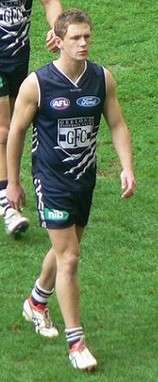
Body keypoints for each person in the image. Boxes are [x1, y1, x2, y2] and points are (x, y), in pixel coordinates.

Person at [6, 9, 136, 371]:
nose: (83, 43)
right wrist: (13, 183)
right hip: (50, 180)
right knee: (70, 258)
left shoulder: (101, 79)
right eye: (75, 38)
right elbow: (15, 132)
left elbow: (118, 123)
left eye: (87, 37)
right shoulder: (38, 84)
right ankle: (76, 342)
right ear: (58, 40)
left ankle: (36, 302)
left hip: (84, 179)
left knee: (68, 248)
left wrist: (126, 166)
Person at [0, 0, 62, 235]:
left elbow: (50, 1)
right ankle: (8, 204)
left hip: (16, 59)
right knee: (4, 130)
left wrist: (57, 28)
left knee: (17, 126)